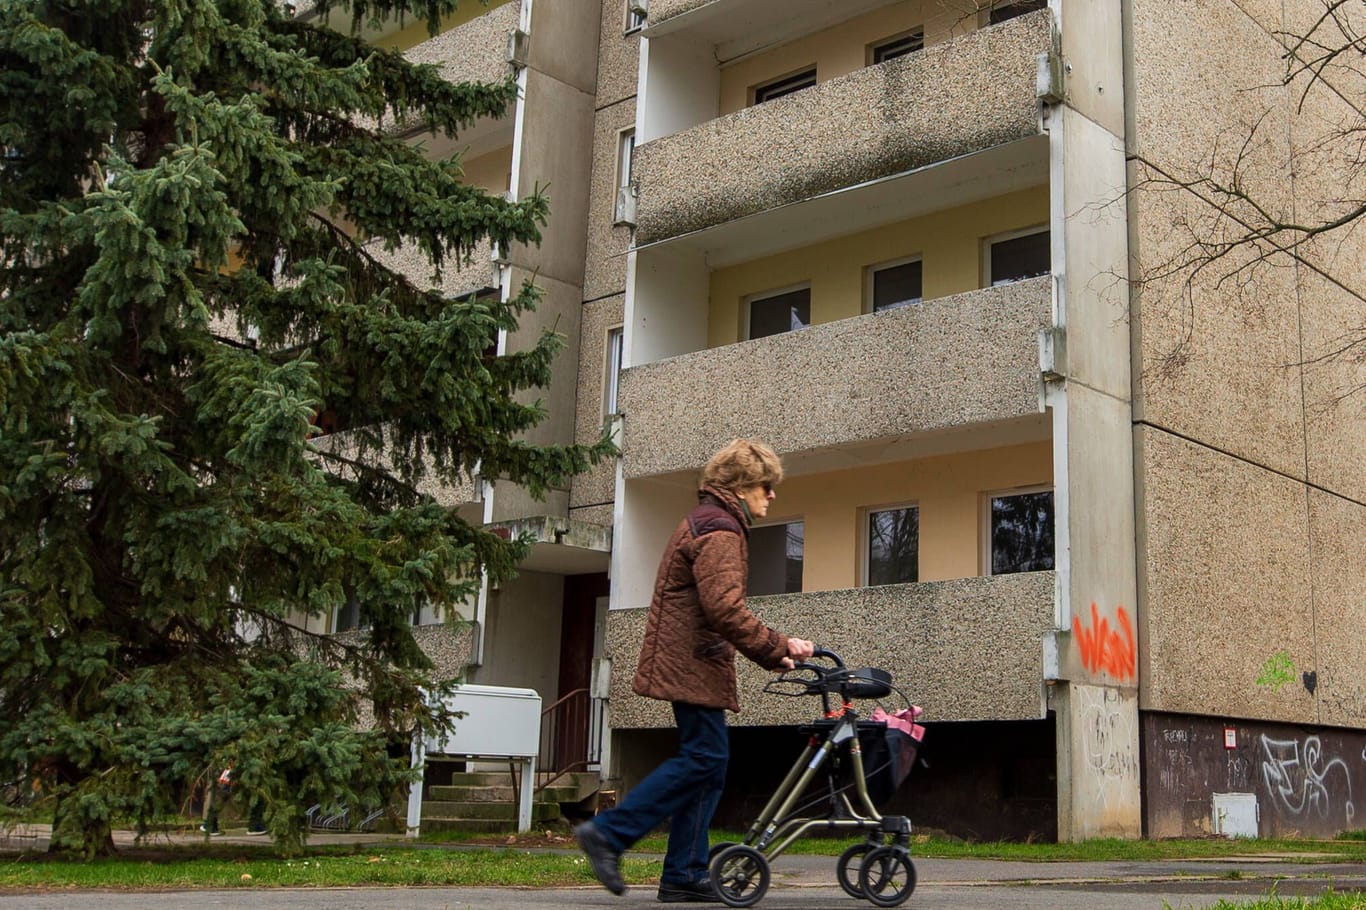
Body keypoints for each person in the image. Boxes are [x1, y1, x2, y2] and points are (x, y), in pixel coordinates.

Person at [576, 439, 815, 902]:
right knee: (705, 759)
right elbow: (725, 609)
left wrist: (773, 651)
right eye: (766, 486)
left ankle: (684, 873)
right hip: (693, 661)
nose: (772, 495)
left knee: (711, 765)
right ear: (743, 485)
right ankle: (609, 833)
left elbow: (718, 611)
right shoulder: (721, 529)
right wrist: (778, 644)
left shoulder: (710, 521)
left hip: (693, 659)